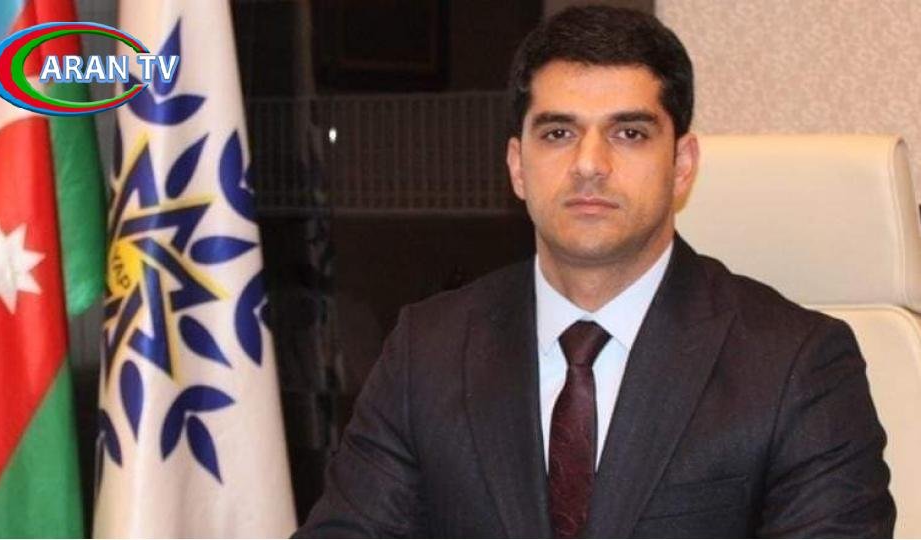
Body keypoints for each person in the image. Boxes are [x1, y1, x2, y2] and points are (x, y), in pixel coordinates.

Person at [295, 5, 895, 538]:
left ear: (682, 165)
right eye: (558, 133)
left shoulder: (796, 365)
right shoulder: (427, 352)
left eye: (628, 133)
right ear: (518, 165)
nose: (589, 164)